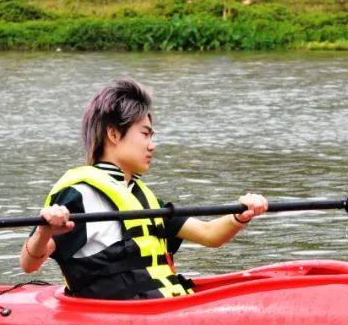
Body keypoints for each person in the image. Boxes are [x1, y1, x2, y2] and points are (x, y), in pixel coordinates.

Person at [20, 78, 268, 300]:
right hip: (117, 316)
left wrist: (240, 216)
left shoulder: (143, 199)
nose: (152, 146)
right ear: (114, 134)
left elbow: (209, 234)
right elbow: (29, 264)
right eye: (145, 134)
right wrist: (44, 230)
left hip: (163, 306)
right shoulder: (79, 194)